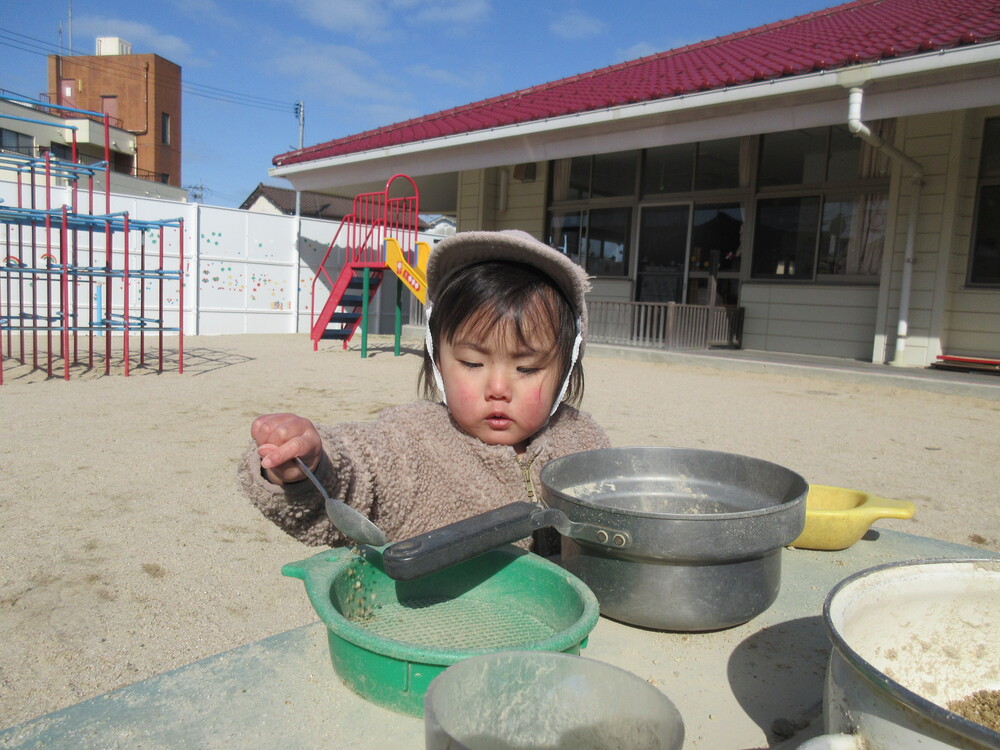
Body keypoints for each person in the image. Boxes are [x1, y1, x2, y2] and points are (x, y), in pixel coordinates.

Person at [236, 230, 610, 550]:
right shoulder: (413, 441)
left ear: (566, 368)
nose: (498, 388)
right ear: (437, 359)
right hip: (436, 630)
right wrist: (311, 464)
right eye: (472, 363)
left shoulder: (581, 442)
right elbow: (358, 470)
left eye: (526, 367)